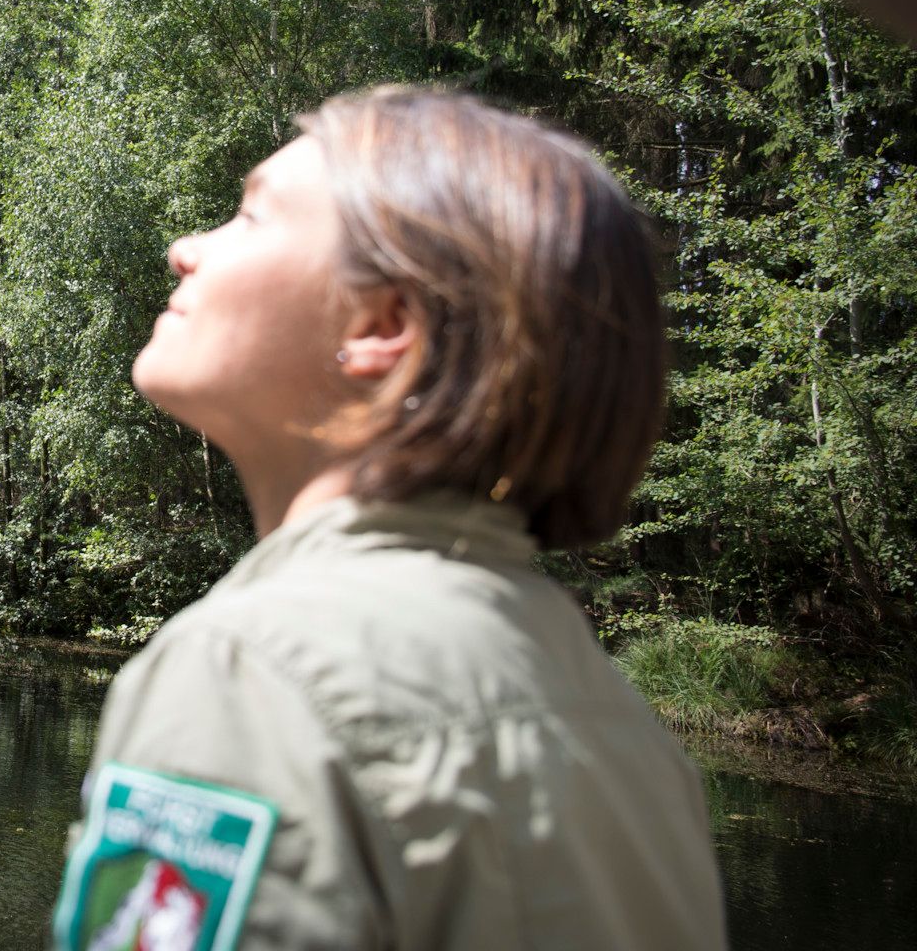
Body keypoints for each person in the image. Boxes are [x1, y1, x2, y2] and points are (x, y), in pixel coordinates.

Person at [50, 87, 727, 951]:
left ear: (381, 326)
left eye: (250, 217)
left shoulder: (251, 674)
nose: (185, 248)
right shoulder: (616, 719)